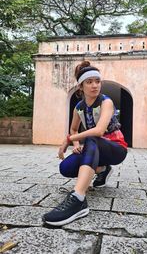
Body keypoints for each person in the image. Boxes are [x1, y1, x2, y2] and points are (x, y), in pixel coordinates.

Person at [42, 61, 128, 226]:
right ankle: (102, 169)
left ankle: (78, 198)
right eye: (89, 82)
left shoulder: (106, 102)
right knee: (66, 168)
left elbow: (99, 131)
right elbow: (73, 129)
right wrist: (75, 146)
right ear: (81, 86)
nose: (95, 85)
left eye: (97, 81)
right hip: (94, 146)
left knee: (92, 138)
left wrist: (69, 140)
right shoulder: (79, 108)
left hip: (116, 148)